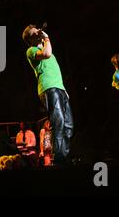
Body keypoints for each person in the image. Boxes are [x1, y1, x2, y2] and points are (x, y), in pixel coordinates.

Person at [22, 24, 73, 165]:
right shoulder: (31, 50)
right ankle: (59, 158)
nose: (38, 34)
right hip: (48, 88)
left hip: (60, 89)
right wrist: (47, 39)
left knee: (69, 125)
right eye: (34, 34)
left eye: (37, 31)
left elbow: (55, 70)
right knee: (58, 122)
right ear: (29, 39)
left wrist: (64, 90)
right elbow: (46, 54)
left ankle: (64, 155)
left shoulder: (47, 49)